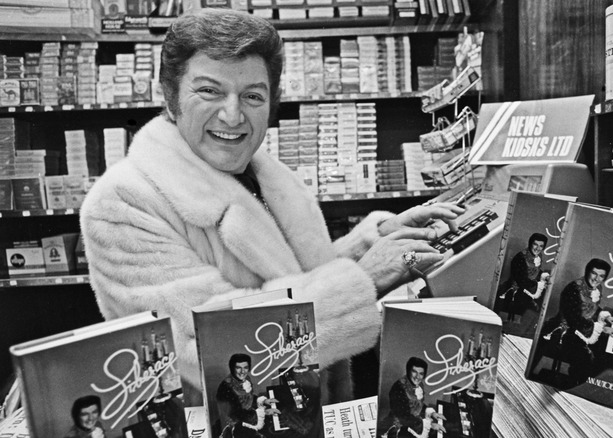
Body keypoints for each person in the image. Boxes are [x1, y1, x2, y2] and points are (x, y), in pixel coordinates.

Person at [79, 8, 464, 407]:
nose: (232, 115)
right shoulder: (122, 204)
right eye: (209, 91)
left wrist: (372, 243)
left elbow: (287, 278)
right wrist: (364, 278)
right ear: (170, 94)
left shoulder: (266, 176)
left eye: (252, 96)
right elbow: (207, 347)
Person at [539, 258, 613, 385]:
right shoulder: (573, 289)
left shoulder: (597, 287)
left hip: (581, 327)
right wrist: (602, 329)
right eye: (594, 273)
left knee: (601, 350)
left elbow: (591, 307)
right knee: (586, 358)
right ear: (587, 271)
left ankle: (582, 381)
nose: (596, 279)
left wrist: (605, 317)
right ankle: (574, 384)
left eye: (601, 276)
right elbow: (574, 319)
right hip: (565, 330)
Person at [379, 357, 446, 438]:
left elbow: (416, 405)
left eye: (421, 373)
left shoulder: (418, 385)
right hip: (399, 428)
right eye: (414, 372)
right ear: (408, 371)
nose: (418, 377)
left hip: (413, 423)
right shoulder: (398, 388)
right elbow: (404, 417)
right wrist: (430, 425)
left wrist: (432, 413)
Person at [215, 354, 278, 438]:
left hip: (247, 419)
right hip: (234, 427)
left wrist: (263, 401)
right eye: (238, 368)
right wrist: (265, 412)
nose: (242, 371)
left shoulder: (245, 379)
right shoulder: (226, 387)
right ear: (232, 368)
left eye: (245, 368)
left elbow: (247, 398)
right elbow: (237, 414)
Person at [502, 233, 550, 323]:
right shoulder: (520, 258)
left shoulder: (538, 256)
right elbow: (522, 280)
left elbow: (534, 271)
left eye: (541, 246)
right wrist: (539, 284)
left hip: (527, 293)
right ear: (530, 243)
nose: (537, 248)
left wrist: (544, 276)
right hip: (515, 293)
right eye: (535, 244)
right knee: (513, 322)